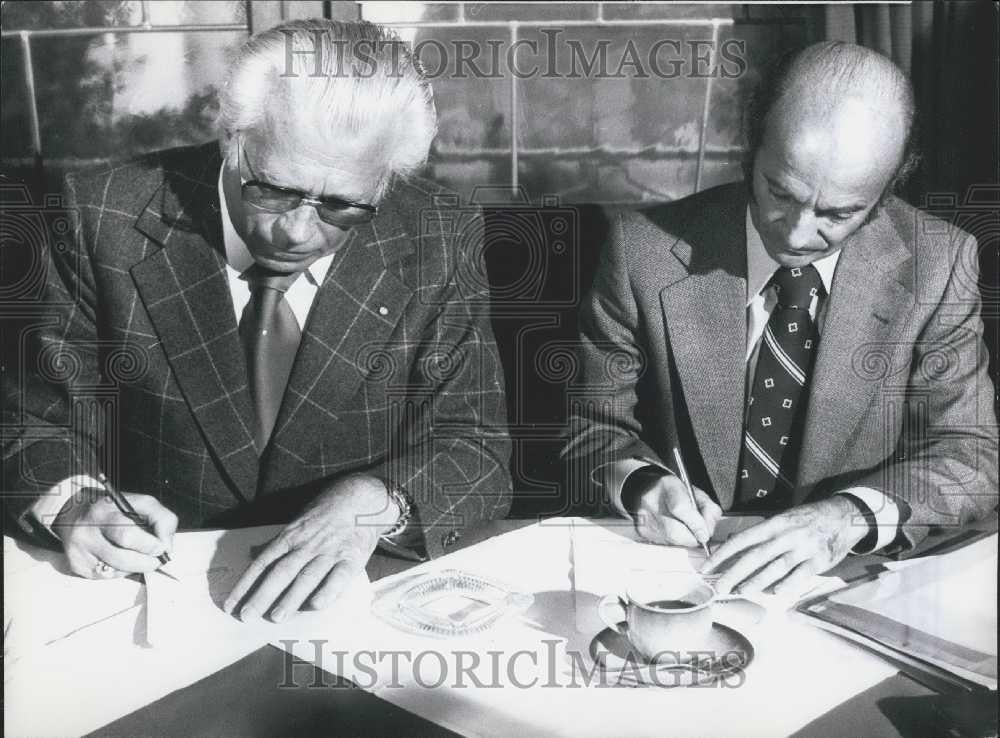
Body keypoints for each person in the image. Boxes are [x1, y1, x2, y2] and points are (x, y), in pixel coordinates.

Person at [3, 19, 512, 621]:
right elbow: (30, 423)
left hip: (352, 607)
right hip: (146, 596)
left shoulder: (438, 234)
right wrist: (75, 502)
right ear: (232, 139)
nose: (296, 232)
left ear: (385, 181)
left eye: (342, 206)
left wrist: (374, 505)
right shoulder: (99, 215)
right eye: (272, 190)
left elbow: (476, 450)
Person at [565, 41, 997, 596]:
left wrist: (845, 520)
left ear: (888, 189)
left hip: (847, 585)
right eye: (779, 192)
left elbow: (970, 452)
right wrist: (640, 483)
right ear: (753, 144)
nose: (795, 234)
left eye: (838, 214)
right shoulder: (642, 249)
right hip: (685, 579)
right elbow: (590, 426)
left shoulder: (940, 264)